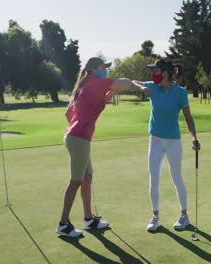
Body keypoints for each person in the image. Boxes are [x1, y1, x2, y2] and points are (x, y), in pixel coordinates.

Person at [57, 57, 143, 237]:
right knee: (76, 181)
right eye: (104, 67)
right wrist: (137, 85)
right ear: (95, 68)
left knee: (87, 177)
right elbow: (125, 82)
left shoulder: (86, 84)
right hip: (79, 138)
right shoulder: (97, 82)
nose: (106, 70)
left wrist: (79, 130)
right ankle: (63, 224)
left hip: (76, 137)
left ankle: (88, 219)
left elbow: (69, 113)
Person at [133, 59, 201, 232]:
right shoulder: (153, 87)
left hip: (173, 141)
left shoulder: (180, 92)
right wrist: (141, 88)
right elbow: (133, 82)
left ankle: (184, 216)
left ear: (167, 72)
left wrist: (194, 137)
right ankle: (155, 217)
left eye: (157, 70)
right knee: (154, 179)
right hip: (155, 140)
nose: (154, 74)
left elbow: (188, 118)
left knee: (176, 177)